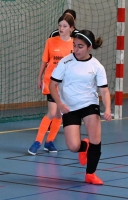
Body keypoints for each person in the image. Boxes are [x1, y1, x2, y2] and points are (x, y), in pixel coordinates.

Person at [49, 30, 112, 185]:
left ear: (89, 47)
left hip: (89, 104)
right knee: (73, 146)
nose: (76, 50)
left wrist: (108, 109)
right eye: (74, 45)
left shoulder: (96, 66)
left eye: (80, 47)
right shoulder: (65, 62)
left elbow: (104, 90)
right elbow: (52, 85)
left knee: (96, 139)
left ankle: (90, 174)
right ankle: (85, 146)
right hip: (69, 108)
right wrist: (60, 104)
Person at [28, 14, 75, 155]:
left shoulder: (74, 44)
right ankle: (37, 142)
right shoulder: (50, 42)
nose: (61, 28)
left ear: (71, 28)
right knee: (52, 112)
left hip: (65, 85)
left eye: (65, 26)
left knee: (59, 115)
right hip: (51, 82)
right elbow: (44, 61)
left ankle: (50, 142)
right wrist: (39, 77)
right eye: (59, 25)